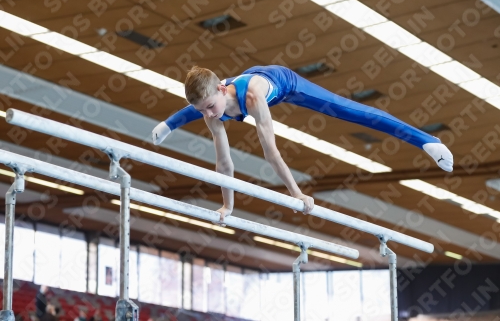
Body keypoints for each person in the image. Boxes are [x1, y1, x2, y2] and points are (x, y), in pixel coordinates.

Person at [151, 65, 454, 224]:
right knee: (209, 112)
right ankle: (167, 124)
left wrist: (297, 194)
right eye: (201, 109)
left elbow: (271, 152)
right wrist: (227, 206)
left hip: (283, 83)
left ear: (220, 89)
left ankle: (427, 140)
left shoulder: (253, 98)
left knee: (352, 112)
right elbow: (224, 163)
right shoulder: (212, 105)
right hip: (229, 88)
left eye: (208, 107)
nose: (206, 114)